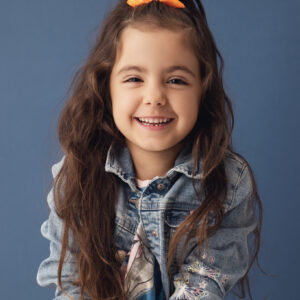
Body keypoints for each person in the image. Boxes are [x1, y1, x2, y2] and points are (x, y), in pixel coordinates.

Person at [36, 0, 263, 299]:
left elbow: (205, 284)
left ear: (202, 90)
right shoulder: (75, 176)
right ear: (106, 88)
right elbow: (69, 280)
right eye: (134, 79)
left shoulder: (228, 185)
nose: (154, 96)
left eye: (176, 80)